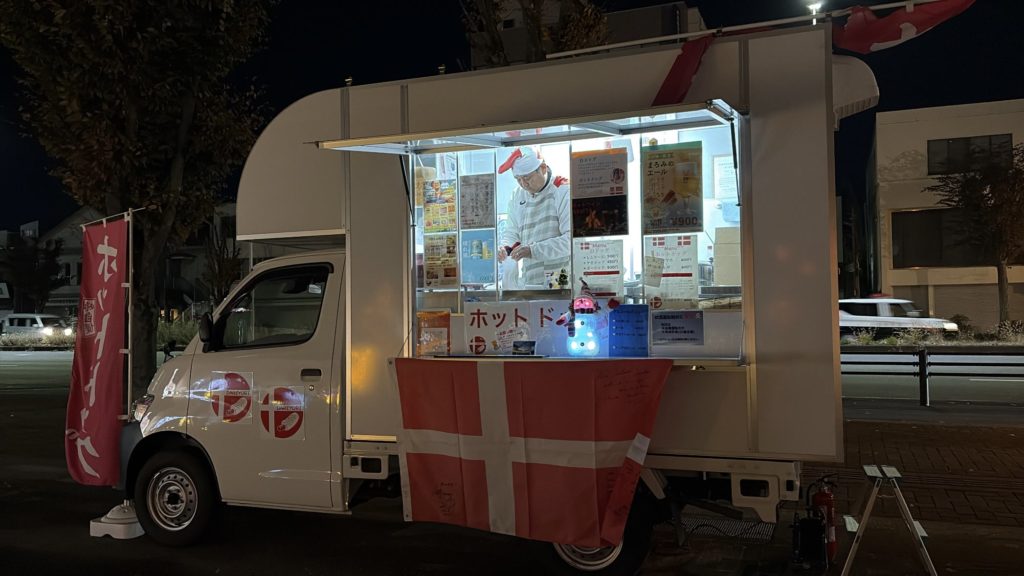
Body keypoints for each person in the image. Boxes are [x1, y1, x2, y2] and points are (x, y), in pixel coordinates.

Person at [496, 147, 571, 288]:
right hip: (530, 280)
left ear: (543, 168)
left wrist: (533, 250)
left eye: (527, 178)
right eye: (518, 179)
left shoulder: (563, 189)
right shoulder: (517, 195)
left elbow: (570, 241)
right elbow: (512, 232)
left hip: (560, 277)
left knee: (556, 300)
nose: (524, 184)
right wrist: (506, 249)